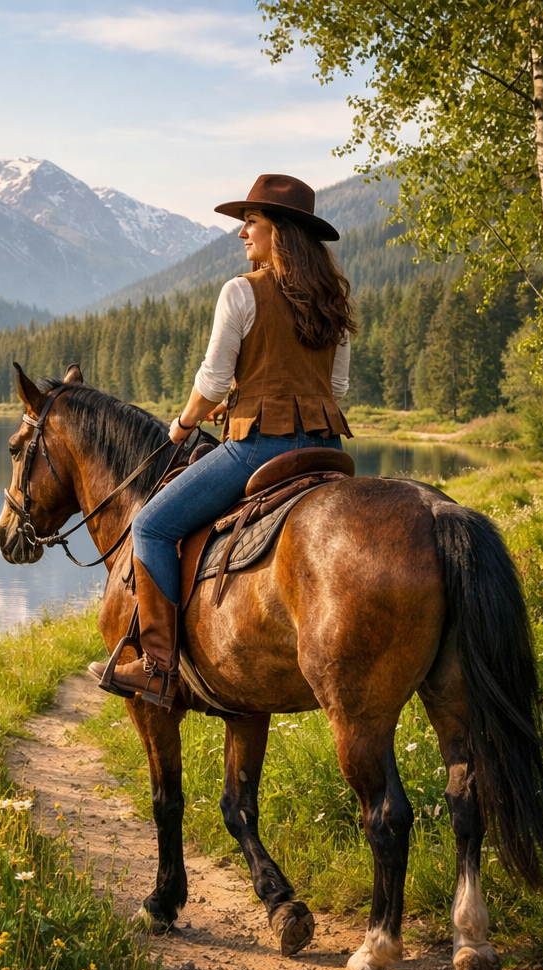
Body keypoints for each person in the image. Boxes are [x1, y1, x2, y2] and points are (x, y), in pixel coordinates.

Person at [89, 174, 355, 710]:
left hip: (258, 447)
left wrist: (185, 425)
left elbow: (211, 383)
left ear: (279, 231)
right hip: (328, 451)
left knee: (152, 525)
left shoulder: (241, 291)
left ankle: (159, 667)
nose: (242, 234)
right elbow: (339, 389)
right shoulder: (333, 301)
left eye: (251, 222)